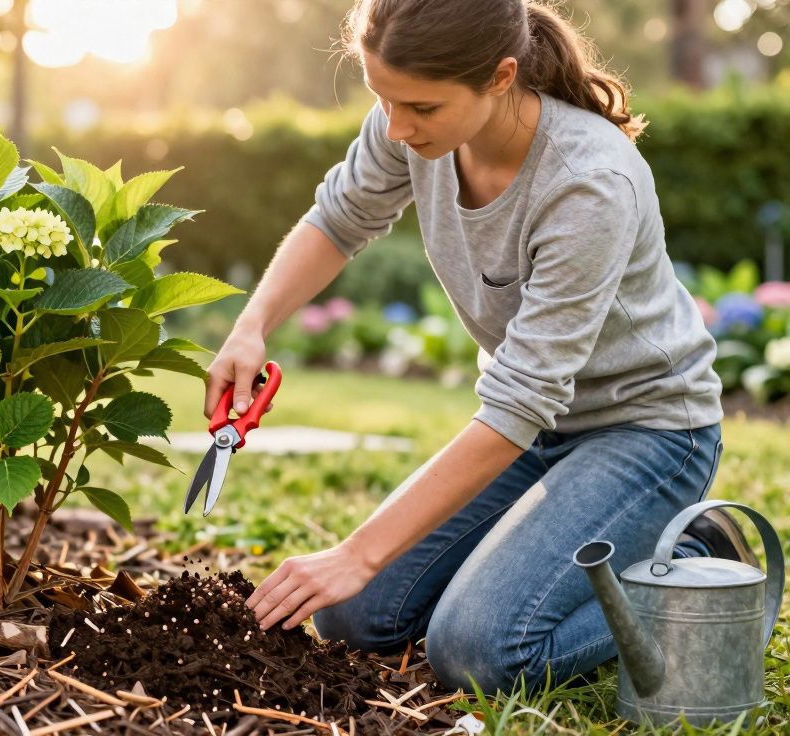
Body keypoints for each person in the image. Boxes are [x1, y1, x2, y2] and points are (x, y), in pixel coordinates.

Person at [210, 0, 755, 694]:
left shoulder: (590, 181)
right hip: (537, 434)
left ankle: (689, 558)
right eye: (383, 99)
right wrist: (251, 326)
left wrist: (356, 550)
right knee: (353, 611)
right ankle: (528, 575)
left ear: (500, 77)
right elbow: (339, 219)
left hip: (647, 432)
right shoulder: (410, 123)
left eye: (421, 109)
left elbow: (518, 400)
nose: (398, 129)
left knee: (481, 651)